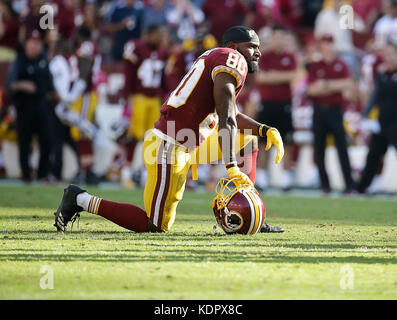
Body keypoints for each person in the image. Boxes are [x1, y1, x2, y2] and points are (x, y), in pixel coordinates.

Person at [53, 26, 285, 234]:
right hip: (169, 145)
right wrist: (232, 167)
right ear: (234, 47)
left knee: (249, 141)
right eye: (252, 46)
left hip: (189, 142)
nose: (258, 52)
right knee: (154, 225)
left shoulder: (217, 57)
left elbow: (228, 112)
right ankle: (80, 198)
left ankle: (253, 208)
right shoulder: (232, 58)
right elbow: (226, 117)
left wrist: (263, 129)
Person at [119, 24, 169, 189]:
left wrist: (165, 97)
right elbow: (129, 73)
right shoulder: (137, 47)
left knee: (152, 138)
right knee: (133, 136)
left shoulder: (162, 52)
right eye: (159, 35)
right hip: (139, 98)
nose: (161, 39)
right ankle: (126, 173)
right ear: (150, 34)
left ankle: (145, 174)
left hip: (154, 99)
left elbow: (163, 79)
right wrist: (127, 96)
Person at [306, 34, 355, 194]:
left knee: (342, 148)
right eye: (325, 44)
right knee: (320, 149)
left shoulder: (341, 65)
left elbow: (348, 84)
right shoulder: (315, 66)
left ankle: (349, 185)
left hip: (335, 110)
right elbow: (311, 89)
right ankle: (324, 185)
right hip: (319, 110)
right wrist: (334, 86)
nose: (328, 47)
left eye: (330, 44)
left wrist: (325, 84)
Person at [5, 30, 55, 182]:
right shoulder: (19, 61)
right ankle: (25, 174)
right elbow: (9, 86)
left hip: (41, 106)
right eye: (32, 42)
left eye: (38, 42)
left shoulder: (43, 60)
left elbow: (49, 85)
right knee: (24, 141)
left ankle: (42, 174)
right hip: (24, 106)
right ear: (26, 44)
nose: (35, 45)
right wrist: (22, 85)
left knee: (47, 139)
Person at [254, 25, 297, 191]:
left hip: (285, 104)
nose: (279, 40)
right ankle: (263, 177)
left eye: (281, 37)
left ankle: (286, 179)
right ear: (272, 38)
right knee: (264, 141)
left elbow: (294, 75)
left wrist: (273, 75)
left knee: (287, 141)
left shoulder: (290, 57)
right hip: (268, 104)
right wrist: (281, 76)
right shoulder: (264, 57)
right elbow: (261, 78)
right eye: (276, 37)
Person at [356, 35, 397, 194]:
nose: (388, 57)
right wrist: (364, 114)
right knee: (373, 155)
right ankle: (361, 188)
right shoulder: (382, 74)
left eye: (391, 53)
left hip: (395, 123)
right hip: (383, 122)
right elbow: (375, 96)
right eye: (386, 54)